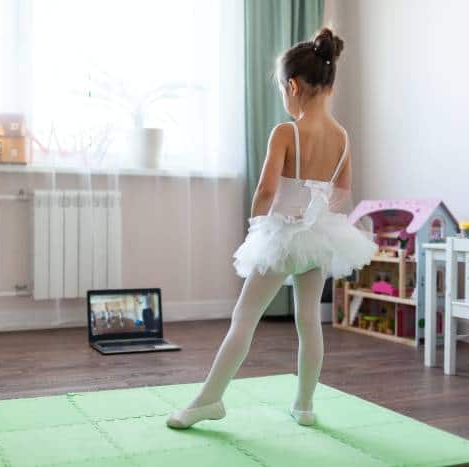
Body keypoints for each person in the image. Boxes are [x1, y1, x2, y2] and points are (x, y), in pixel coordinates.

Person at [166, 27, 377, 429]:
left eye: (281, 88)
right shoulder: (343, 137)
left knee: (244, 319)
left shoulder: (286, 132)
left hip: (281, 236)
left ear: (292, 86)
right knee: (309, 319)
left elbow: (265, 190)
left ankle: (208, 400)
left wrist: (257, 224)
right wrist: (315, 216)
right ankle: (305, 405)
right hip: (318, 240)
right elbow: (343, 191)